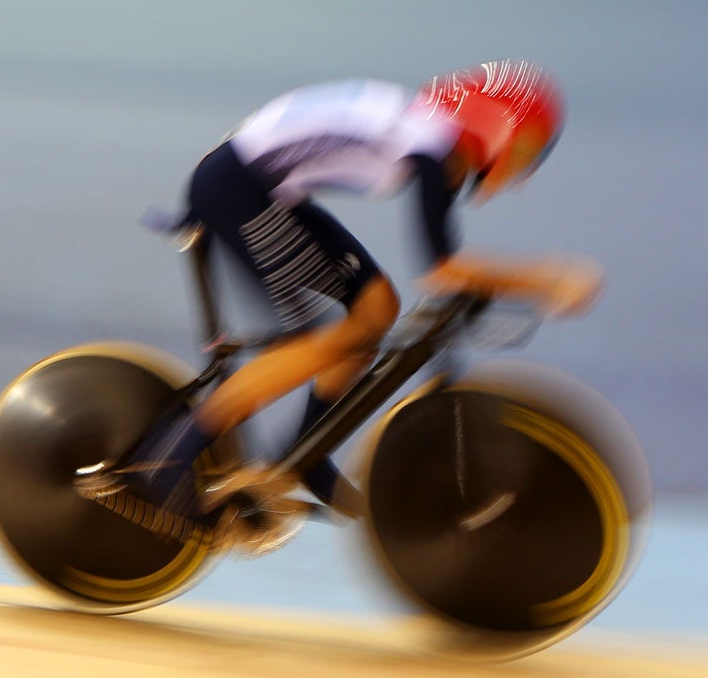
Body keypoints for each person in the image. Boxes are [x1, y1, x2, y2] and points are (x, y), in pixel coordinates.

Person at [115, 60, 599, 529]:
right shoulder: (431, 147)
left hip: (261, 187)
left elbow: (446, 268)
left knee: (375, 308)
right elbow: (444, 271)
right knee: (316, 345)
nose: (523, 167)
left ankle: (305, 452)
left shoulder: (435, 139)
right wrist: (549, 278)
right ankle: (164, 461)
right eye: (526, 148)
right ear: (493, 124)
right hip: (236, 189)